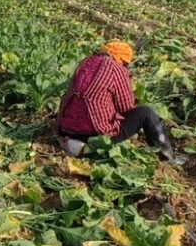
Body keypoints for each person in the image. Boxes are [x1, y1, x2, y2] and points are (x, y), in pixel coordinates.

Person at [55, 41, 187, 165]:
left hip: (65, 129)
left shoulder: (85, 64)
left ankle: (73, 142)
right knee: (145, 113)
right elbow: (126, 108)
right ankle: (168, 157)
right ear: (122, 60)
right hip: (95, 135)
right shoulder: (116, 69)